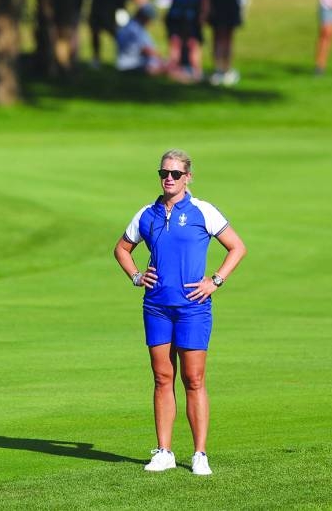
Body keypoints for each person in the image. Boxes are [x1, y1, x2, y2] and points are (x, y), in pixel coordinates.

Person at [113, 149, 246, 477]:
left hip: (193, 308)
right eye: (164, 173)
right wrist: (136, 276)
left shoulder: (203, 211)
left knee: (194, 378)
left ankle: (200, 453)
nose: (168, 179)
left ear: (187, 177)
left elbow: (237, 247)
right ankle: (164, 451)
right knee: (162, 378)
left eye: (175, 174)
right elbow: (122, 248)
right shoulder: (147, 214)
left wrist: (215, 280)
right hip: (156, 307)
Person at [115, 3, 163, 74]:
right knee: (169, 68)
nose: (150, 22)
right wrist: (160, 58)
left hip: (126, 64)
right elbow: (145, 50)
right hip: (134, 65)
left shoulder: (128, 26)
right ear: (144, 17)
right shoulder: (135, 29)